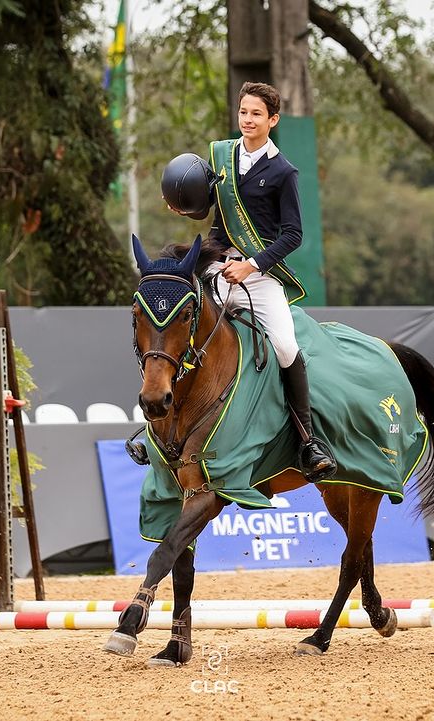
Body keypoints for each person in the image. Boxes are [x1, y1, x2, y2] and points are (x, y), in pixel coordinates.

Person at [164, 81, 336, 482]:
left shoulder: (283, 172)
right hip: (217, 264)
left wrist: (252, 266)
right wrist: (183, 209)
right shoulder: (221, 157)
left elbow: (293, 235)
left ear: (273, 120)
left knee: (285, 345)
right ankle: (159, 428)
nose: (248, 120)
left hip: (258, 275)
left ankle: (307, 439)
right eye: (243, 112)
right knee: (175, 319)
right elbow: (213, 216)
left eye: (257, 114)